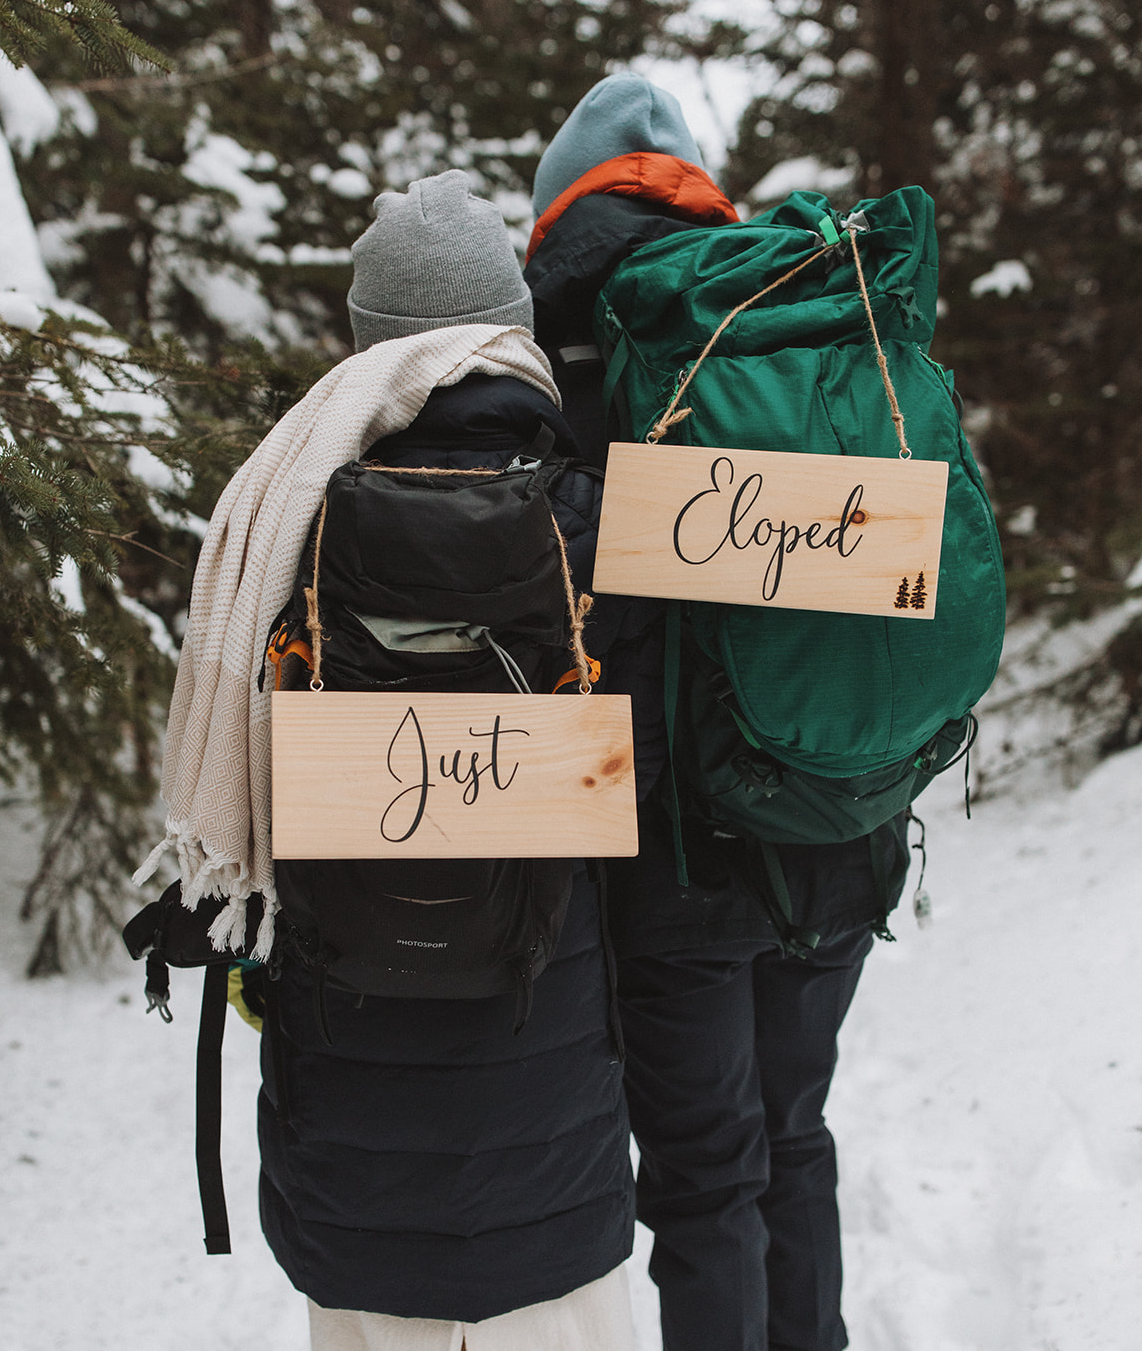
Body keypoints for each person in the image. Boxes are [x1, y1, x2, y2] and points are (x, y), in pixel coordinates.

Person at [523, 76, 913, 1351]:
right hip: (835, 817)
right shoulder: (781, 315)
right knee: (794, 1134)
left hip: (677, 841)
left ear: (557, 207)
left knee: (704, 1178)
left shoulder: (561, 340)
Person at [240, 171, 641, 1350]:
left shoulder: (289, 515)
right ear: (509, 331)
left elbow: (256, 784)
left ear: (366, 348)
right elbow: (642, 770)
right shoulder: (595, 515)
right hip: (546, 1056)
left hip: (348, 1043)